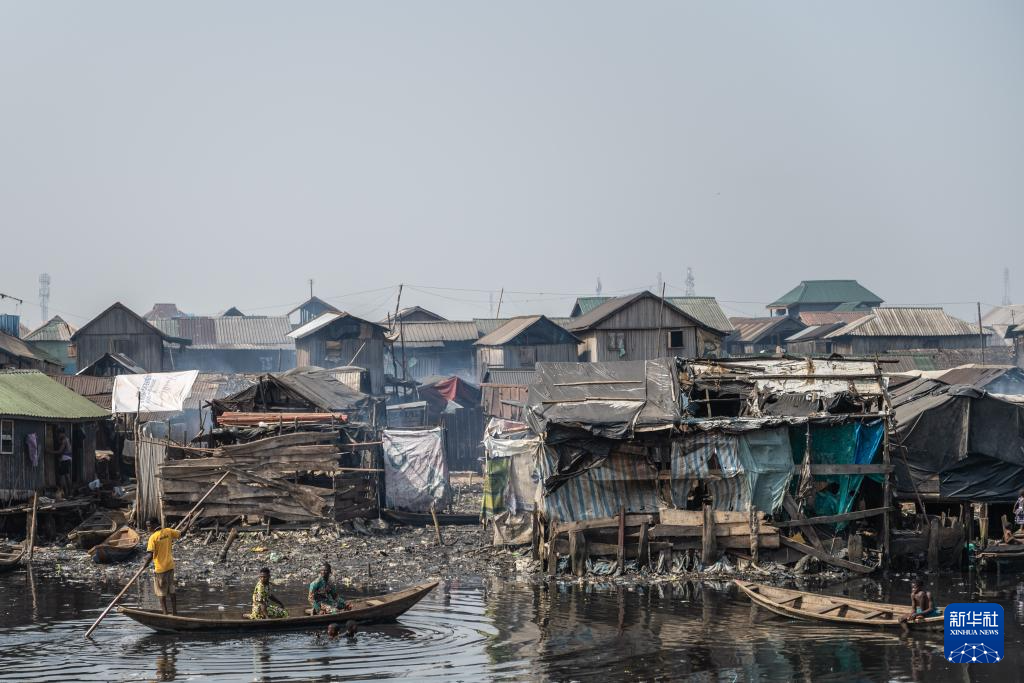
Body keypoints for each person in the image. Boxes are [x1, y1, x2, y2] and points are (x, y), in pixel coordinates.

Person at [145, 519, 181, 615]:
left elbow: (149, 555)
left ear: (155, 524)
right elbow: (182, 533)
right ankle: (175, 612)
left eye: (149, 525)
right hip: (170, 566)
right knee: (171, 589)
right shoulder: (168, 531)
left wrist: (145, 564)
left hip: (160, 569)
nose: (148, 528)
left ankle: (165, 614)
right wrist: (189, 521)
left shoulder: (153, 538)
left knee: (161, 592)